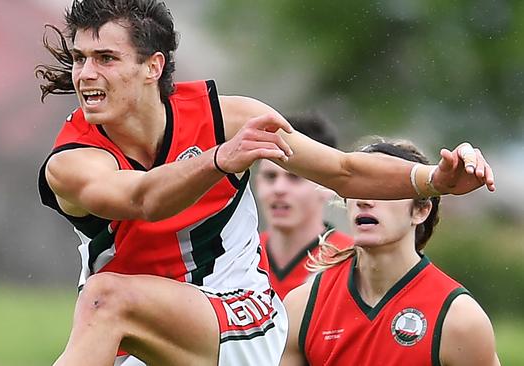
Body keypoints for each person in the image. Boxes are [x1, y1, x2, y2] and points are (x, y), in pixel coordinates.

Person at [34, 1, 495, 365]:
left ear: (153, 67)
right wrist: (217, 160)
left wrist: (433, 179)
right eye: (79, 58)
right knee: (106, 302)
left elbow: (343, 171)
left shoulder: (230, 117)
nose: (85, 74)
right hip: (141, 338)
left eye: (105, 58)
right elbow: (143, 198)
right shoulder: (71, 163)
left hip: (241, 323)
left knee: (103, 297)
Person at [280, 139, 500, 366]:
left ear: (421, 210)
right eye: (356, 188)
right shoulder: (302, 306)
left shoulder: (459, 319)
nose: (364, 200)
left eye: (382, 190)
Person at [255, 112, 353, 300]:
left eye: (294, 178)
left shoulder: (351, 263)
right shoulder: (237, 256)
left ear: (327, 186)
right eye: (270, 177)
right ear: (257, 184)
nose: (279, 189)